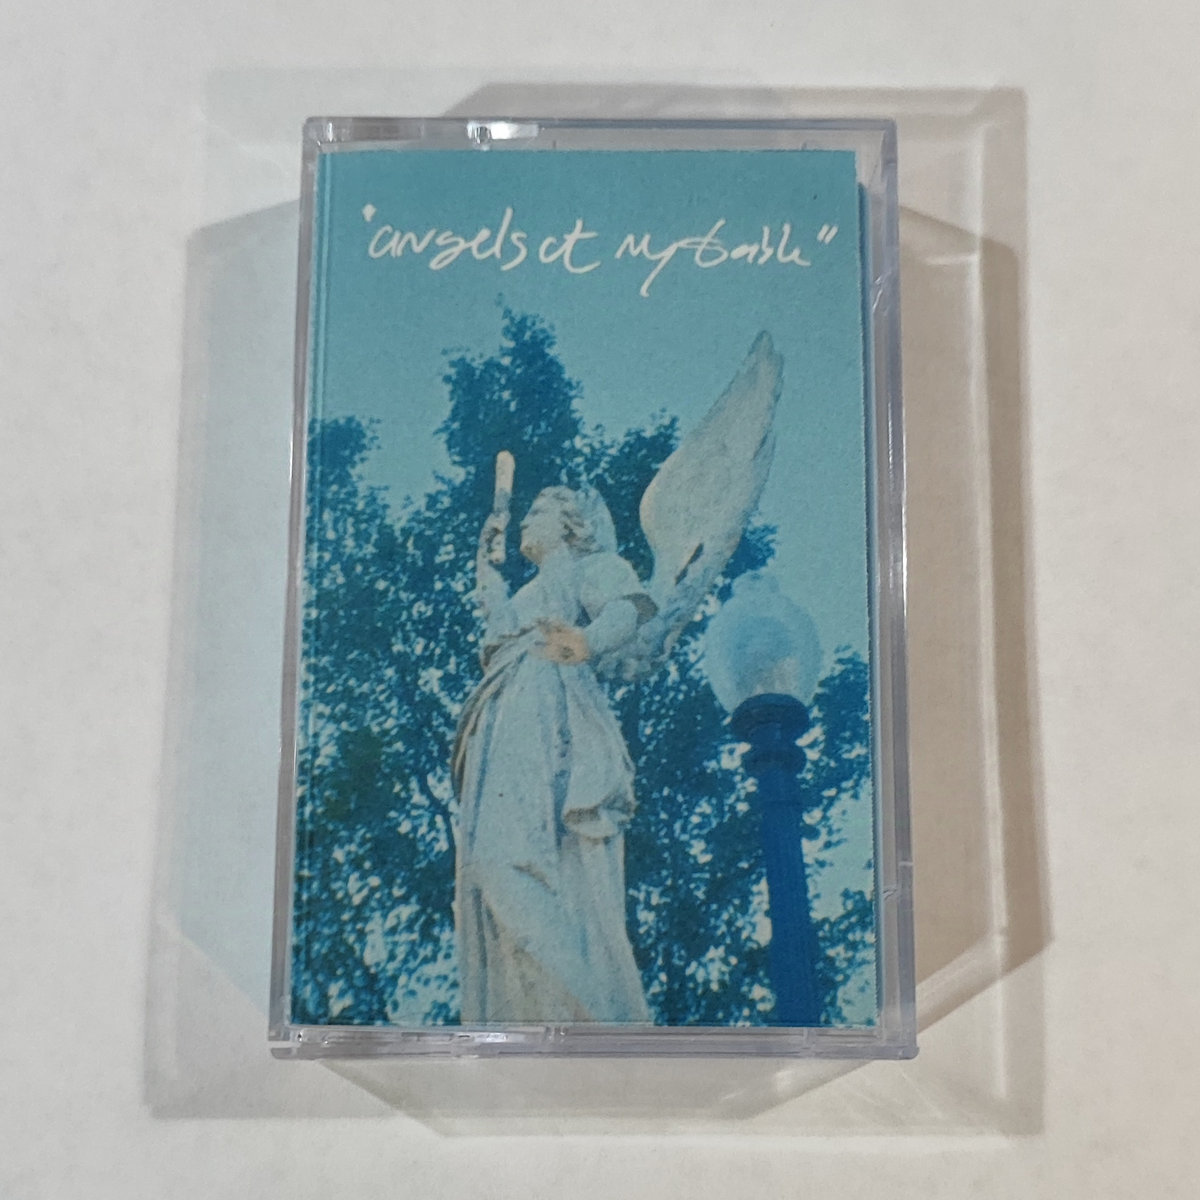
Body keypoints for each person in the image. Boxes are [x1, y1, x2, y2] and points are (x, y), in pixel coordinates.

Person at [451, 485, 654, 1023]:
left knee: (504, 862)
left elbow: (627, 608)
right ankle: (561, 1015)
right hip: (502, 710)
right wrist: (486, 568)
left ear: (571, 524)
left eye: (539, 511)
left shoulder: (588, 568)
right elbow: (499, 627)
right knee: (492, 868)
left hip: (548, 699)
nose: (526, 520)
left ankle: (598, 1016)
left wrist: (588, 641)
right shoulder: (527, 594)